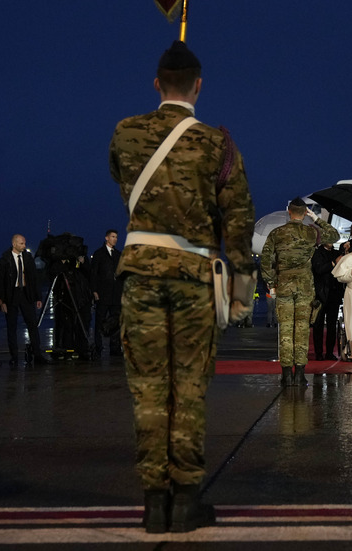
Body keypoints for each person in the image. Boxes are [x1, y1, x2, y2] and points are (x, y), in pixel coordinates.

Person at [108, 40, 256, 534]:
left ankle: (154, 501)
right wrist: (241, 288)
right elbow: (238, 219)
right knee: (188, 389)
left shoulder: (126, 133)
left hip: (140, 273)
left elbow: (121, 181)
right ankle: (187, 499)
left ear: (156, 84)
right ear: (198, 85)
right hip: (193, 275)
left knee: (148, 390)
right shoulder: (217, 144)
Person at [261, 197, 339, 384]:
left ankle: (287, 374)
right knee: (302, 330)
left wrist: (271, 282)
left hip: (284, 286)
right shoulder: (312, 233)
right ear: (304, 213)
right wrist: (316, 219)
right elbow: (334, 236)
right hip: (305, 288)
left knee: (286, 331)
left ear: (289, 211)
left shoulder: (277, 233)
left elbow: (265, 259)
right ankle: (300, 374)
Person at [0, 234, 52, 366]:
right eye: (21, 243)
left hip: (26, 294)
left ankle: (37, 354)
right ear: (14, 244)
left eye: (24, 243)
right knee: (12, 327)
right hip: (12, 295)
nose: (24, 246)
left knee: (32, 325)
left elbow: (34, 278)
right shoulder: (5, 259)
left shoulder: (27, 258)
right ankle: (14, 356)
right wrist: (1, 300)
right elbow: (1, 281)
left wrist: (38, 297)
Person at [90, 229, 123, 357]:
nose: (115, 239)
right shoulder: (99, 254)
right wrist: (94, 290)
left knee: (115, 321)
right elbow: (93, 274)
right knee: (100, 320)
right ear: (107, 238)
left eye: (116, 237)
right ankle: (98, 346)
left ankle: (115, 348)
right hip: (103, 293)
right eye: (113, 237)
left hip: (116, 294)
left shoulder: (118, 255)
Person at [311, 242, 343, 360]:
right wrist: (334, 263)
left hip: (334, 293)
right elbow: (319, 269)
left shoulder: (336, 253)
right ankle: (318, 353)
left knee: (332, 325)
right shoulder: (317, 253)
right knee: (318, 324)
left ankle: (329, 352)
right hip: (320, 294)